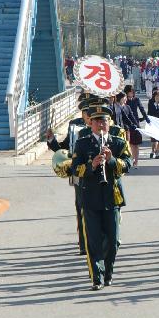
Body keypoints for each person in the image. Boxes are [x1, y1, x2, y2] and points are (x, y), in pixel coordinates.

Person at [71, 105, 133, 290]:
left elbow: (128, 164)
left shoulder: (118, 143)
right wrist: (92, 165)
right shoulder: (82, 144)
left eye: (104, 121)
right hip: (90, 197)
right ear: (91, 124)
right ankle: (96, 277)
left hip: (112, 198)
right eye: (97, 121)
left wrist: (112, 160)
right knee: (94, 241)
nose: (101, 124)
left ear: (109, 123)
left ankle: (108, 272)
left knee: (113, 241)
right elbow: (75, 169)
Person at [46, 93, 94, 255]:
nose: (87, 115)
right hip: (79, 174)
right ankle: (83, 243)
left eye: (89, 111)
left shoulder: (103, 124)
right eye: (85, 111)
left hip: (98, 173)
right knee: (81, 208)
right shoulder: (75, 126)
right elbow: (64, 148)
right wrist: (52, 140)